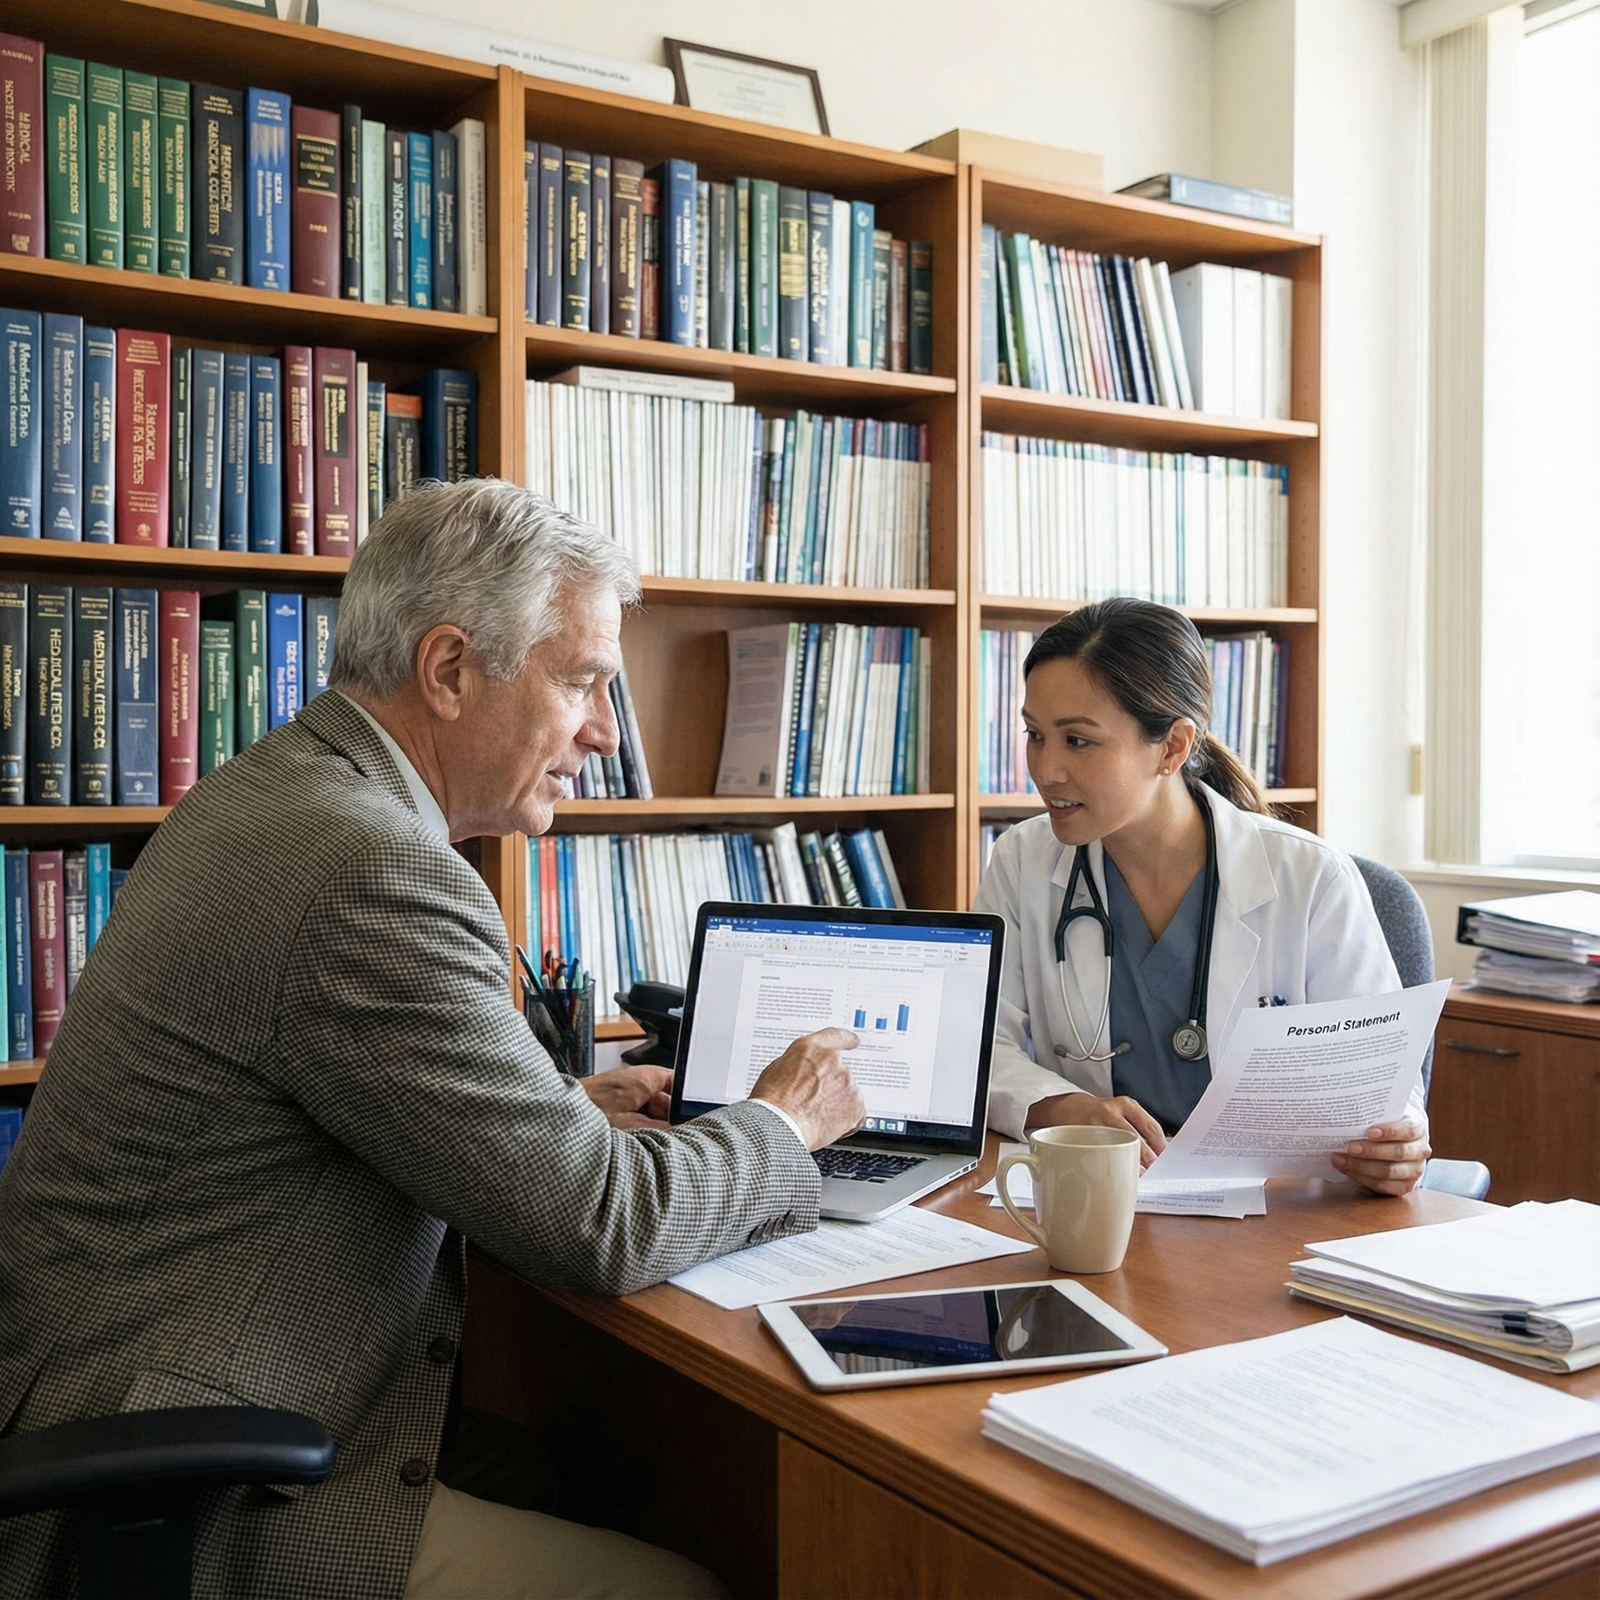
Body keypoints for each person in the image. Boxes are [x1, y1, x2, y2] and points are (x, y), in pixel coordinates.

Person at [0, 480, 864, 1600]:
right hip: (172, 1481)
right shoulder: (370, 866)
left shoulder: (280, 788)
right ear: (450, 669)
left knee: (560, 1472)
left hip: (121, 1380)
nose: (604, 730)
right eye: (583, 682)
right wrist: (781, 1124)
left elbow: (324, 1098)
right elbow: (601, 1221)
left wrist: (555, 1109)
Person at [973, 598, 1429, 1196]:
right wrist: (1057, 1106)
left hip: (1273, 1212)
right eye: (1035, 734)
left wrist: (1396, 1145)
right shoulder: (1021, 862)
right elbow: (979, 1048)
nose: (1046, 769)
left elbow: (1382, 1090)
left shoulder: (1310, 879)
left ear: (1172, 746)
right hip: (1099, 1197)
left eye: (1078, 741)